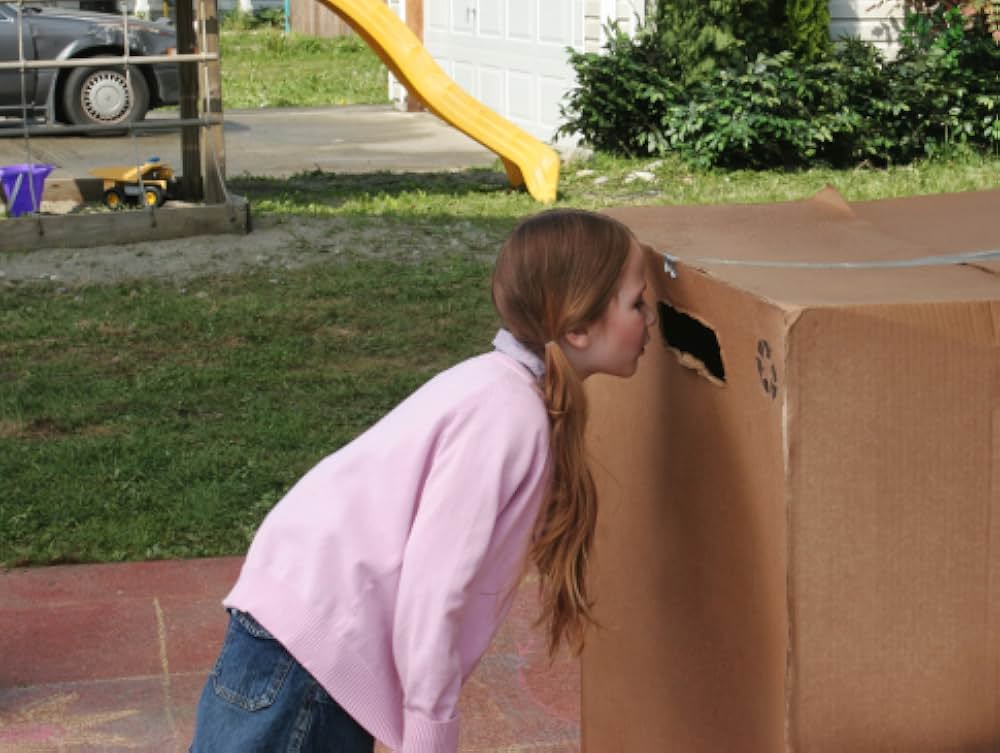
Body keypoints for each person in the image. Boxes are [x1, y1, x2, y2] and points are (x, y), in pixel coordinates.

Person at [188, 208, 657, 753]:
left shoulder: (499, 390)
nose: (650, 319)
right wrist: (430, 734)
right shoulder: (508, 415)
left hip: (297, 641)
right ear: (578, 327)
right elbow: (435, 591)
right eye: (637, 303)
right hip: (308, 659)